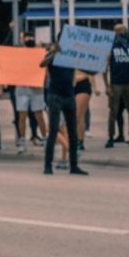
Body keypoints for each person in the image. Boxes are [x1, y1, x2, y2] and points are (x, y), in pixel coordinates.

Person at [41, 44, 87, 175]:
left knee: (72, 132)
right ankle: (47, 165)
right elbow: (42, 64)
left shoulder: (71, 57)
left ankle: (74, 166)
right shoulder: (53, 57)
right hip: (55, 95)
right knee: (54, 129)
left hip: (69, 95)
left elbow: (86, 66)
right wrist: (53, 54)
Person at [103, 25, 129, 148]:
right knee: (113, 111)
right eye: (117, 31)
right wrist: (107, 85)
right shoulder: (111, 47)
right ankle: (111, 136)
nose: (119, 33)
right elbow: (105, 67)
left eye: (120, 31)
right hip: (116, 83)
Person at [14, 35, 48, 155]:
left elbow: (45, 71)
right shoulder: (19, 55)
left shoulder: (39, 55)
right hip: (22, 88)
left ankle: (45, 139)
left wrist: (41, 82)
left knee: (39, 115)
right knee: (22, 115)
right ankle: (22, 141)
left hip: (36, 89)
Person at [73, 70, 99, 154]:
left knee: (79, 115)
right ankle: (73, 138)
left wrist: (95, 88)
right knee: (71, 116)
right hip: (68, 85)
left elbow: (90, 73)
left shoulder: (83, 59)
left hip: (82, 86)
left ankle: (80, 141)